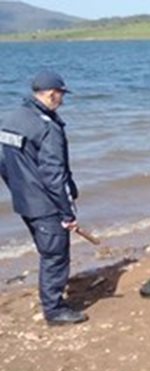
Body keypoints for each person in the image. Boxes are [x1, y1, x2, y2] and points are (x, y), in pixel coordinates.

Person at [0, 71, 87, 325]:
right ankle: (54, 310)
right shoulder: (48, 128)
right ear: (52, 94)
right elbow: (54, 174)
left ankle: (50, 299)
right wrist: (67, 212)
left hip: (24, 201)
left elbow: (3, 163)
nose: (62, 100)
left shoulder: (13, 118)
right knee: (55, 255)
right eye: (61, 95)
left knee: (47, 251)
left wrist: (18, 189)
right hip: (46, 204)